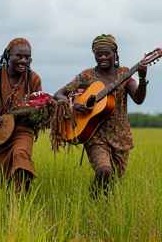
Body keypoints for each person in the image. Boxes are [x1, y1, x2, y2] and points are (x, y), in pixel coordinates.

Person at [54, 34, 148, 197]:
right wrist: (74, 105)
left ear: (114, 54)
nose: (103, 57)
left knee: (112, 182)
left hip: (120, 137)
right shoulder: (86, 76)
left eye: (107, 53)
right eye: (99, 54)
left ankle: (101, 207)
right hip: (94, 135)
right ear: (94, 55)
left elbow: (138, 99)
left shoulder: (124, 74)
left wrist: (142, 77)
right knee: (104, 170)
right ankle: (93, 198)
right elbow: (59, 94)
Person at [0, 38, 42, 193]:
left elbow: (38, 106)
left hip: (22, 129)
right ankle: (4, 208)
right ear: (8, 55)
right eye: (19, 56)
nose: (24, 60)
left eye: (27, 57)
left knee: (21, 156)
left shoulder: (33, 79)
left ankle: (21, 200)